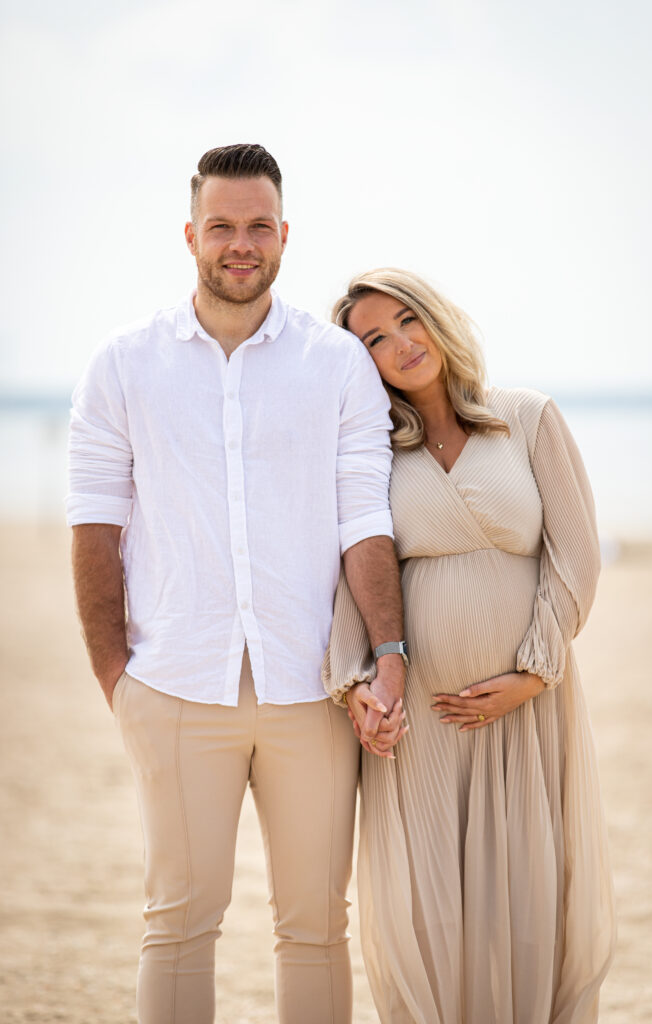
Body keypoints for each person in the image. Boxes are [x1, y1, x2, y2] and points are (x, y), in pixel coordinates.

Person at [66, 145, 408, 1024]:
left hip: (312, 691)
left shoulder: (335, 363)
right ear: (191, 235)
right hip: (174, 685)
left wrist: (389, 654)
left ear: (284, 235)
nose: (240, 243)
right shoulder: (123, 364)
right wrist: (118, 678)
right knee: (177, 924)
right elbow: (95, 527)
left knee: (314, 927)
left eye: (258, 226)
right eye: (222, 226)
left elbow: (362, 518)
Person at [324, 268, 616, 1024]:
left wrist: (533, 672)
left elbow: (574, 556)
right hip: (421, 714)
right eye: (373, 340)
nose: (399, 345)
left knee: (523, 892)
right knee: (423, 901)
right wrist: (356, 681)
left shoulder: (526, 418)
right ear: (362, 364)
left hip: (526, 707)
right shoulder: (372, 448)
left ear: (436, 319)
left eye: (406, 320)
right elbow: (358, 564)